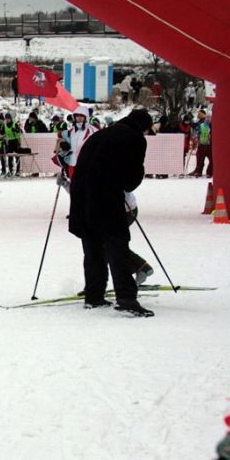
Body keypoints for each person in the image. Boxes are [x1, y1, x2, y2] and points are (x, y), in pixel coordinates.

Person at [68, 108, 156, 317]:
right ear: (143, 127)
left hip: (80, 197)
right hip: (105, 197)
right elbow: (130, 180)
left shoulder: (101, 133)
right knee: (117, 244)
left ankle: (94, 295)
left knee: (93, 247)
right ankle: (126, 298)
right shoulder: (134, 138)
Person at [58, 106, 97, 177]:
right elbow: (62, 136)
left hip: (87, 164)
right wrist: (64, 145)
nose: (79, 118)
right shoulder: (72, 131)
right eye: (77, 116)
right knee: (73, 184)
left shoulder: (92, 130)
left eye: (81, 116)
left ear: (86, 117)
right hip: (73, 164)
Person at [189, 109, 213, 178]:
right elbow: (197, 130)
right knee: (200, 158)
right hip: (202, 144)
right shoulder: (201, 124)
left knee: (210, 159)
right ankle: (199, 171)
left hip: (209, 145)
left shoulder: (211, 125)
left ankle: (209, 172)